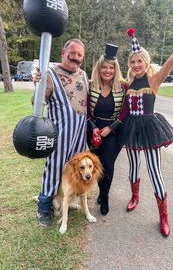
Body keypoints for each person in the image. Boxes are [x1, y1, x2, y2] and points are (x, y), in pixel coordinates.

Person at [118, 16, 173, 237]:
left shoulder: (154, 80)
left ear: (146, 62)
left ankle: (163, 216)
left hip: (149, 130)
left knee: (154, 171)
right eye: (132, 61)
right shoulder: (128, 85)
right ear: (129, 64)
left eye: (140, 61)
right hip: (131, 130)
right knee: (133, 167)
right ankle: (135, 196)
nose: (136, 65)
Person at [33, 39, 88, 226]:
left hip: (79, 134)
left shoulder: (83, 75)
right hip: (58, 134)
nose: (76, 57)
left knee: (75, 169)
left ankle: (69, 198)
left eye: (80, 55)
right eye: (72, 53)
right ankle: (44, 206)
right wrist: (38, 83)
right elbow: (36, 102)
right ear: (63, 54)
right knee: (54, 169)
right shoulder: (50, 74)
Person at [87, 43, 127, 215]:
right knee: (96, 164)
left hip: (113, 132)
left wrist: (111, 128)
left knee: (107, 164)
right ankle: (101, 192)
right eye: (104, 67)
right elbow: (85, 111)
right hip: (93, 130)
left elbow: (126, 111)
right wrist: (94, 128)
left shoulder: (123, 87)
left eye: (111, 67)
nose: (108, 71)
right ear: (99, 68)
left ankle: (105, 197)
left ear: (115, 69)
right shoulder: (90, 85)